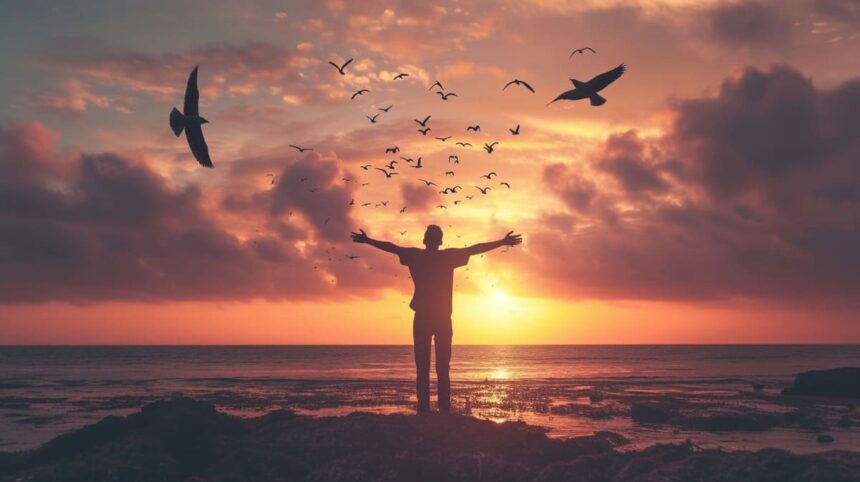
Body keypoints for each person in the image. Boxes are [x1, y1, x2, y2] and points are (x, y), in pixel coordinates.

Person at [350, 225, 522, 412]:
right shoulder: (447, 257)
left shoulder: (416, 255)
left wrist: (368, 241)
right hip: (441, 317)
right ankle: (444, 409)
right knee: (442, 367)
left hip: (423, 316)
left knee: (422, 368)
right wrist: (502, 242)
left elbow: (392, 247)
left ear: (425, 240)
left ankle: (424, 409)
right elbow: (475, 248)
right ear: (440, 241)